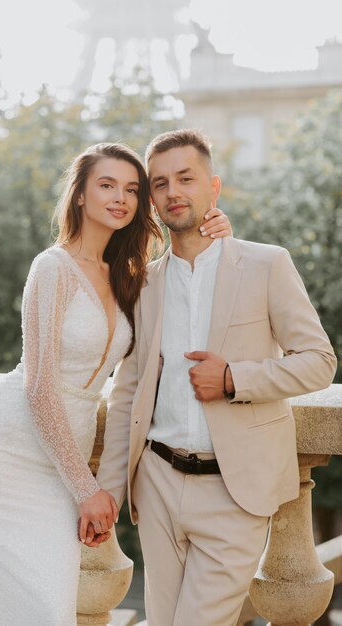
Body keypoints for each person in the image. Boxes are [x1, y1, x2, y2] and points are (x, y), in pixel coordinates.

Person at [0, 141, 232, 626]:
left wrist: (217, 233)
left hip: (62, 460)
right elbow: (39, 389)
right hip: (3, 453)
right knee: (10, 601)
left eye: (132, 189)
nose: (120, 197)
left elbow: (192, 300)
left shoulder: (128, 275)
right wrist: (87, 489)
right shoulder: (51, 267)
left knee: (50, 604)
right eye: (106, 185)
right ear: (79, 195)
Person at [95, 129, 337, 626]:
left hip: (235, 490)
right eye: (159, 183)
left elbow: (319, 359)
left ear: (214, 187)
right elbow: (127, 394)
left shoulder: (267, 264)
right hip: (157, 484)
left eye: (186, 178)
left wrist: (234, 380)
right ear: (152, 199)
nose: (173, 192)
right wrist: (109, 491)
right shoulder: (143, 282)